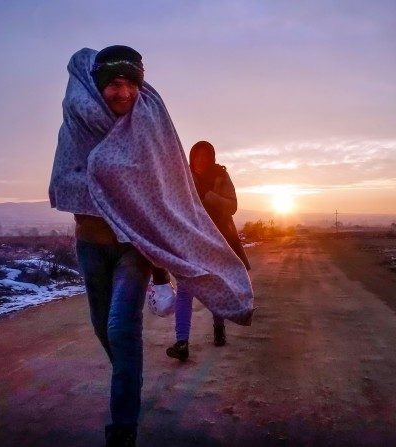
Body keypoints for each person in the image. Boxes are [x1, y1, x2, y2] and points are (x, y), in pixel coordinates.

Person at [49, 46, 253, 447]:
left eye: (130, 83)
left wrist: (161, 246)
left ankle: (122, 429)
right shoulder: (77, 127)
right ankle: (129, 377)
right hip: (90, 244)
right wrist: (101, 184)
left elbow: (165, 191)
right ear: (98, 86)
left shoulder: (150, 128)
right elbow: (66, 181)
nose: (123, 93)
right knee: (103, 331)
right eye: (113, 84)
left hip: (133, 245)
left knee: (120, 327)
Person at [166, 141, 251, 361]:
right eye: (197, 156)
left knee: (215, 285)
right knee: (185, 289)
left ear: (212, 158)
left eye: (205, 156)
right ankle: (182, 342)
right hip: (191, 240)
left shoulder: (221, 176)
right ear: (191, 158)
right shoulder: (183, 176)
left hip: (217, 240)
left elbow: (232, 205)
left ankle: (219, 327)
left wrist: (209, 197)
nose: (201, 160)